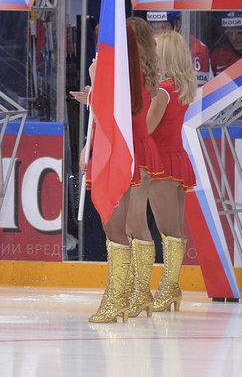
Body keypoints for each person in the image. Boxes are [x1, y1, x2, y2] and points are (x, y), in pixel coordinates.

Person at [84, 17, 160, 322]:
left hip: (117, 154)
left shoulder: (121, 78)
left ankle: (119, 298)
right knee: (120, 226)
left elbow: (111, 115)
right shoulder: (131, 75)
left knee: (118, 227)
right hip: (119, 152)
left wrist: (95, 77)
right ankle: (125, 294)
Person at [144, 30, 198, 313]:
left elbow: (147, 128)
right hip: (177, 159)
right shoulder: (180, 89)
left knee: (168, 230)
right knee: (174, 231)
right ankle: (171, 288)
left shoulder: (163, 91)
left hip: (162, 163)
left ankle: (168, 288)